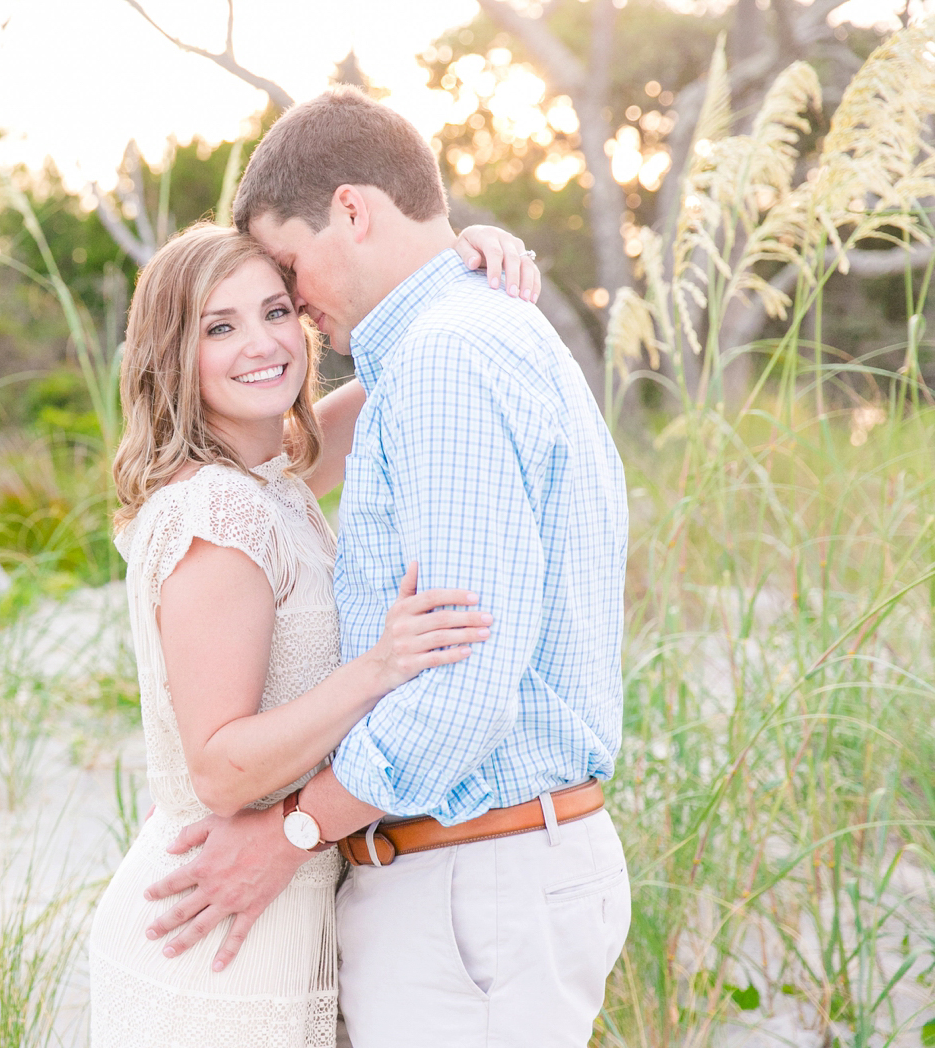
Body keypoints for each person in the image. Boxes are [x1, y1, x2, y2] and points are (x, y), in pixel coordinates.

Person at [138, 88, 632, 1048]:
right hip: (474, 884)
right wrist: (457, 258)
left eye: (286, 275)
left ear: (353, 211)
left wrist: (292, 833)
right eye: (225, 323)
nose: (294, 319)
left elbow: (461, 692)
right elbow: (274, 463)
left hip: (469, 886)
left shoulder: (447, 361)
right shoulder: (454, 344)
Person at [89, 219, 540, 1048]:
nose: (261, 344)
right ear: (170, 355)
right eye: (219, 327)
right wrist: (377, 668)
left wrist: (460, 257)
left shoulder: (268, 474)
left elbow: (410, 365)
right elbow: (221, 770)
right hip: (217, 937)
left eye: (275, 311)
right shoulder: (218, 513)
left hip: (268, 906)